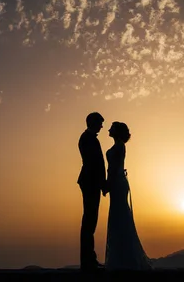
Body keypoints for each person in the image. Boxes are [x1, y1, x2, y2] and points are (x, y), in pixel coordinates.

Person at [104, 122, 152, 270]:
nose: (108, 129)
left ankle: (123, 258)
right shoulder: (119, 146)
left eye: (111, 127)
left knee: (120, 216)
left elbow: (113, 168)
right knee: (119, 215)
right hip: (117, 182)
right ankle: (122, 256)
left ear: (117, 131)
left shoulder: (119, 146)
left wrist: (107, 184)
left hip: (117, 183)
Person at [77, 112, 107, 271]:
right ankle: (88, 261)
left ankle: (89, 259)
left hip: (91, 182)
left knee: (90, 221)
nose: (102, 127)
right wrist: (102, 183)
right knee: (89, 221)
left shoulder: (89, 138)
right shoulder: (87, 139)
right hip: (90, 182)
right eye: (100, 123)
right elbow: (94, 164)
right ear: (93, 123)